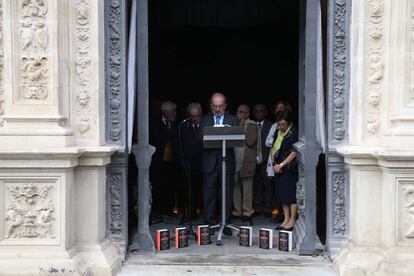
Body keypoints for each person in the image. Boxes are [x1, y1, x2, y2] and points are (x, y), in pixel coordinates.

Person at [200, 92, 237, 235]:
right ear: (210, 106)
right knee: (209, 194)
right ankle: (209, 223)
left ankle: (225, 223)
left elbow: (238, 140)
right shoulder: (204, 120)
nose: (217, 109)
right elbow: (199, 139)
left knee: (227, 194)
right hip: (209, 162)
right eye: (215, 106)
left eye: (220, 106)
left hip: (227, 162)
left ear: (225, 105)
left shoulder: (232, 119)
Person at [149, 101, 179, 220]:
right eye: (172, 112)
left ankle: (169, 209)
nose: (175, 114)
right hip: (157, 160)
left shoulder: (177, 123)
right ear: (166, 112)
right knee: (157, 185)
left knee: (171, 185)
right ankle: (156, 210)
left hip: (172, 160)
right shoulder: (154, 123)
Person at [271, 110, 299, 231]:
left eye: (283, 124)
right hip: (279, 168)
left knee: (291, 195)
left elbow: (294, 152)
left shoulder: (294, 133)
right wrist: (274, 164)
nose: (281, 127)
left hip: (289, 168)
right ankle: (286, 219)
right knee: (283, 195)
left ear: (289, 123)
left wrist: (281, 164)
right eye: (279, 124)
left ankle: (292, 220)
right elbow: (273, 148)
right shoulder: (278, 132)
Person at [265, 100, 291, 222]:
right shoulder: (274, 126)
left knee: (287, 192)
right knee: (276, 189)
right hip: (275, 161)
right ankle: (278, 213)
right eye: (277, 108)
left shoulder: (291, 129)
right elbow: (268, 142)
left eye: (282, 108)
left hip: (286, 163)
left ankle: (286, 217)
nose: (279, 110)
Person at [178, 102, 204, 220]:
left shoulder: (206, 125)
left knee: (203, 189)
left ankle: (206, 213)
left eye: (197, 116)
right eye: (192, 116)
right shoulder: (183, 126)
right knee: (189, 190)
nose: (195, 119)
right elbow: (179, 145)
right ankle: (191, 213)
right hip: (188, 164)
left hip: (204, 163)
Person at [232, 104, 258, 225]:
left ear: (247, 114)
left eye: (242, 112)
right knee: (236, 187)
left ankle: (247, 213)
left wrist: (241, 128)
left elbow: (251, 141)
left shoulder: (252, 125)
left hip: (246, 161)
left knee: (247, 188)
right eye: (238, 112)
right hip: (235, 161)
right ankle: (237, 212)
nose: (239, 114)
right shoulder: (235, 124)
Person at [251, 104, 273, 218]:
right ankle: (258, 208)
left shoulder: (271, 125)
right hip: (253, 160)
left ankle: (268, 209)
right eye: (256, 111)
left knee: (268, 185)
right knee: (256, 185)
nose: (258, 113)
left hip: (267, 159)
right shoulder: (251, 125)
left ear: (265, 112)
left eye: (260, 111)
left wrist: (265, 158)